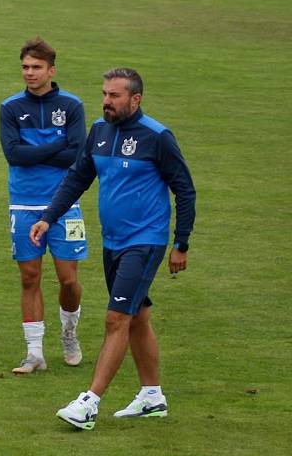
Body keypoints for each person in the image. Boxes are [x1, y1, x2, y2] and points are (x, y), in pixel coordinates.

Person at [30, 68, 195, 431]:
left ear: (135, 99)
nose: (106, 101)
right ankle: (152, 396)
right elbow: (78, 177)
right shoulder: (100, 132)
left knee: (115, 318)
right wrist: (49, 217)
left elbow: (184, 189)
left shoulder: (157, 137)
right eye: (104, 94)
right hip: (113, 242)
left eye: (114, 96)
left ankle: (89, 403)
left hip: (145, 241)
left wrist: (181, 243)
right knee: (137, 316)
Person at [0, 38, 87, 375]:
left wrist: (33, 152)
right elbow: (13, 155)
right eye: (25, 67)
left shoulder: (72, 106)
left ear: (51, 69)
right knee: (29, 276)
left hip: (65, 204)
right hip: (23, 204)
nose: (30, 73)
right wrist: (56, 145)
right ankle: (34, 352)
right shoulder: (10, 107)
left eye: (36, 67)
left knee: (67, 278)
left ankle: (69, 332)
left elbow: (77, 155)